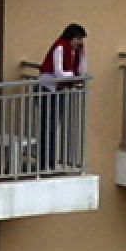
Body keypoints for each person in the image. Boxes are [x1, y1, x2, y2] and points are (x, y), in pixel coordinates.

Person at [37, 24, 88, 170]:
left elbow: (82, 71)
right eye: (78, 39)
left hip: (59, 89)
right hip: (48, 88)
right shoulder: (60, 47)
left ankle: (51, 162)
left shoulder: (76, 52)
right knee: (48, 127)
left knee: (54, 127)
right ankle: (45, 162)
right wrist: (73, 76)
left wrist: (82, 55)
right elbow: (58, 72)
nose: (80, 43)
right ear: (70, 38)